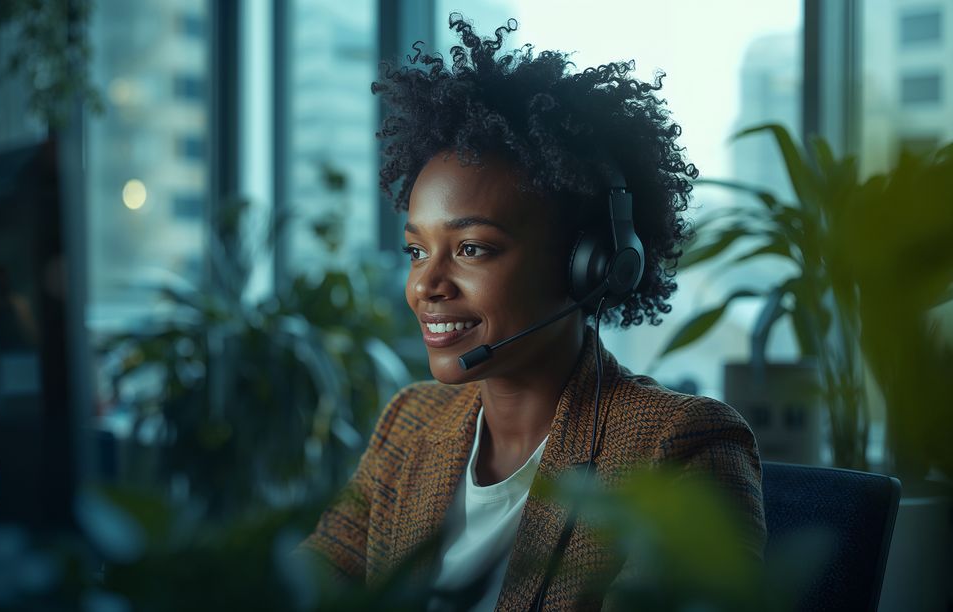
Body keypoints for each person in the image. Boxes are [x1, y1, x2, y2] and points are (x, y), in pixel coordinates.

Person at [298, 15, 765, 610]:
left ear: (589, 264)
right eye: (417, 250)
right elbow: (301, 586)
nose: (425, 286)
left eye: (472, 249)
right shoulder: (410, 424)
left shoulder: (681, 448)